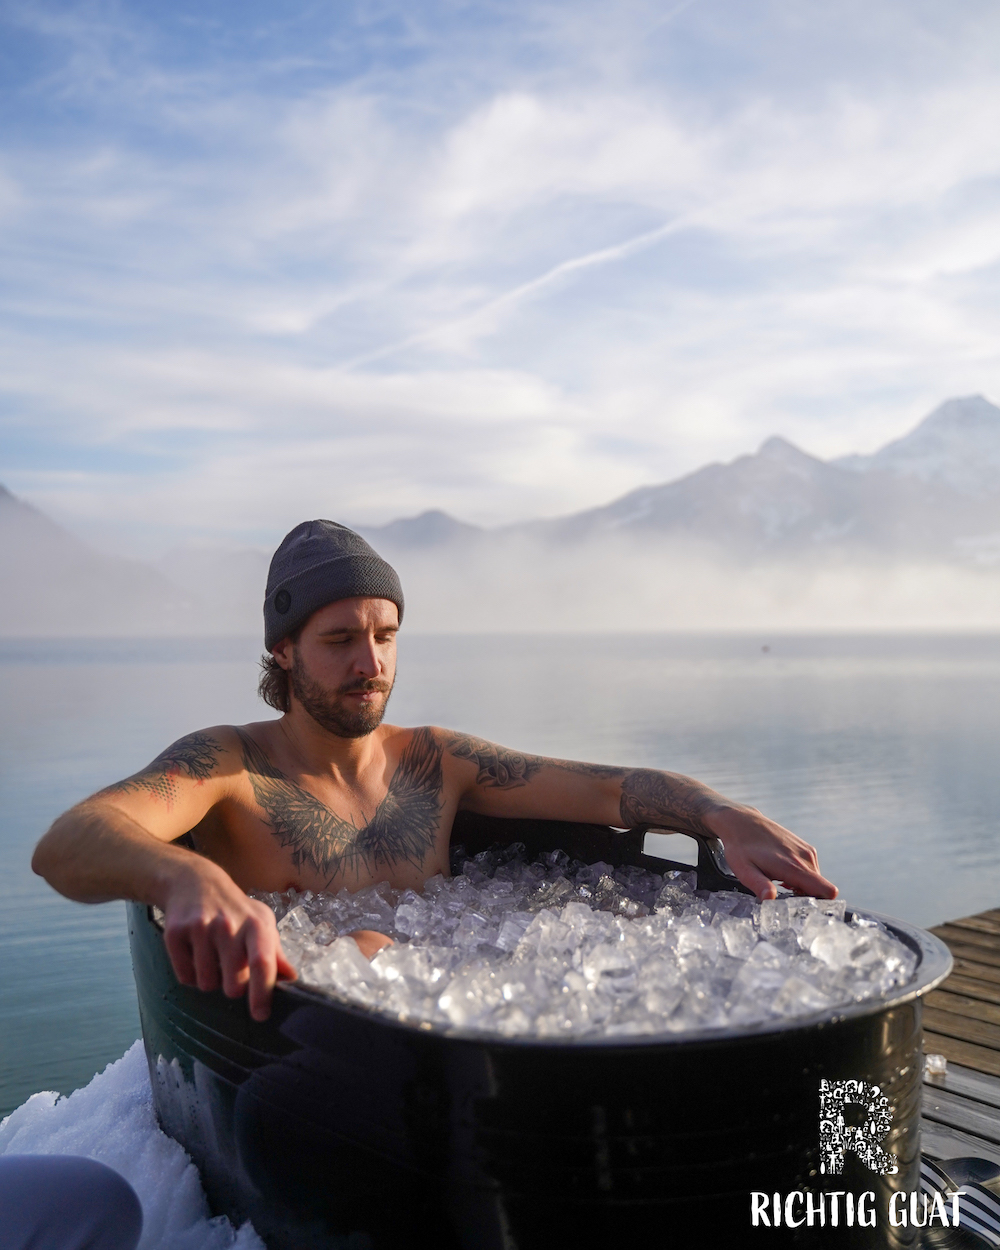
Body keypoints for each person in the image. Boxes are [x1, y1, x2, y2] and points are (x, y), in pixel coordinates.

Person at [33, 519, 836, 1022]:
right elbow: (70, 841)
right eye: (340, 639)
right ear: (283, 651)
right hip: (310, 1061)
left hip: (468, 1047)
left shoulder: (435, 760)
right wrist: (181, 877)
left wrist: (720, 813)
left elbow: (608, 790)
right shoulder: (230, 765)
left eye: (384, 635)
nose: (370, 663)